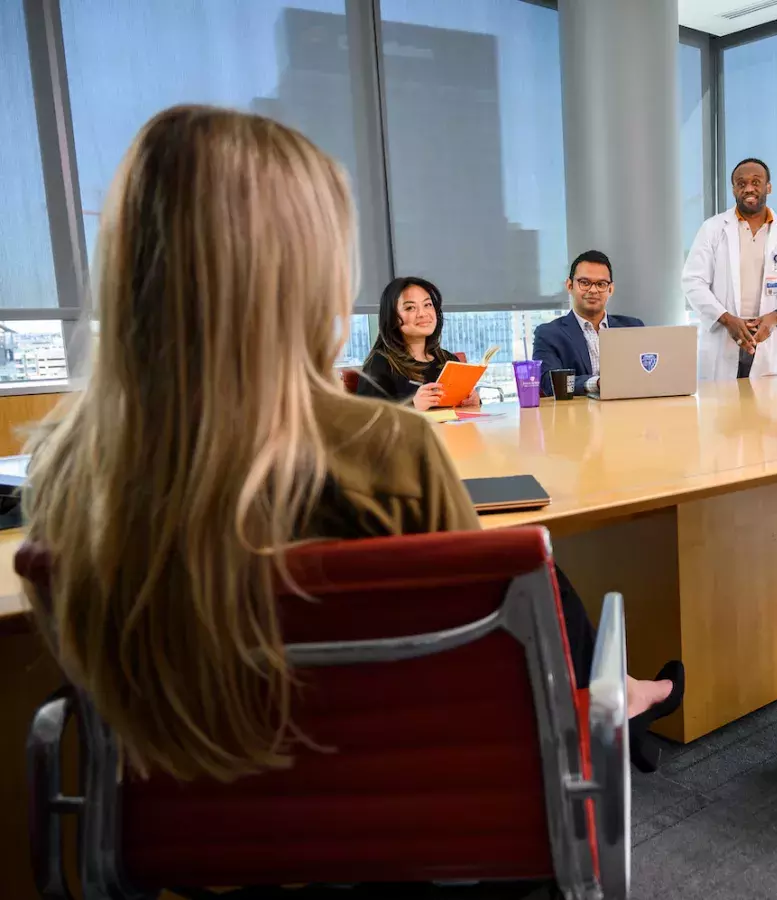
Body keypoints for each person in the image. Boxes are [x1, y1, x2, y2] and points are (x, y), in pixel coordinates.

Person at [20, 105, 682, 783]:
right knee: (538, 571)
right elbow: (487, 658)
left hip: (176, 832)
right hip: (396, 799)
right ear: (306, 272)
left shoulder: (63, 470)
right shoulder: (386, 450)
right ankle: (620, 691)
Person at [681, 157, 777, 380]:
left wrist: (774, 317)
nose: (748, 188)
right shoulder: (713, 229)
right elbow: (693, 281)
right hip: (724, 337)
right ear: (734, 189)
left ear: (768, 187)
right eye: (741, 184)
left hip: (767, 340)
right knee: (723, 412)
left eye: (756, 182)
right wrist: (726, 319)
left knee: (766, 411)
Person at [356, 276, 480, 411]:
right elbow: (365, 418)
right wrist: (412, 405)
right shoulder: (379, 364)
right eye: (410, 308)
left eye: (427, 305)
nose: (422, 313)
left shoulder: (449, 360)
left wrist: (473, 401)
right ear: (392, 317)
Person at [533, 250, 644, 397]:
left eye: (601, 284)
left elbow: (647, 375)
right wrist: (596, 383)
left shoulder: (633, 327)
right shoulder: (549, 334)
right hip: (576, 417)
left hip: (627, 413)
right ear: (569, 285)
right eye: (584, 283)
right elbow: (549, 382)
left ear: (610, 289)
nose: (593, 290)